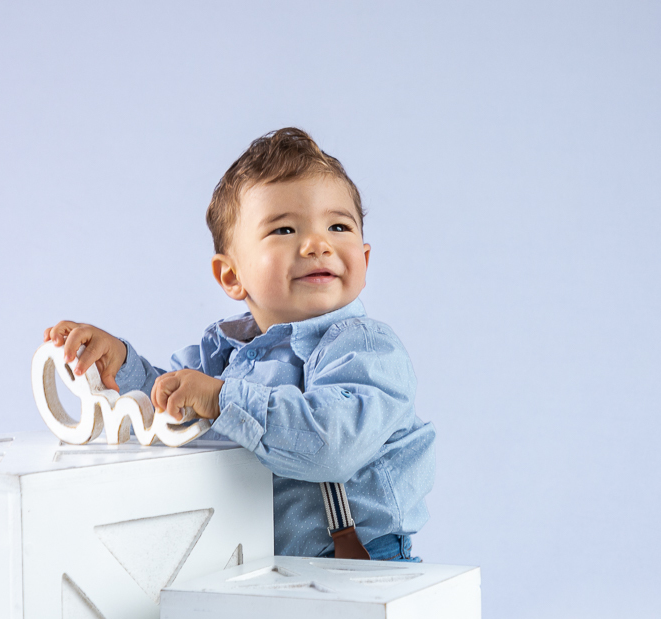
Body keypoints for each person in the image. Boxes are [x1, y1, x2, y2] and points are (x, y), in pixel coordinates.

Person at [42, 128, 435, 561]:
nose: (317, 244)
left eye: (338, 226)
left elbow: (333, 445)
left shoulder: (366, 349)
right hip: (258, 567)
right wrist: (120, 365)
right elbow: (170, 409)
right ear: (232, 276)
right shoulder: (223, 354)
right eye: (285, 229)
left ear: (364, 258)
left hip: (357, 565)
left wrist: (220, 399)